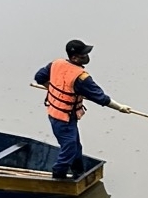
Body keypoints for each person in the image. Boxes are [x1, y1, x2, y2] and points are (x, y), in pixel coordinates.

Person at [35, 39, 131, 179]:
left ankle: (78, 172)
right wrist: (120, 107)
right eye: (83, 55)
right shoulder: (81, 78)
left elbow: (39, 77)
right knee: (69, 147)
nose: (87, 57)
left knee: (75, 146)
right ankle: (58, 176)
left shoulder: (56, 64)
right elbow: (101, 98)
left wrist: (53, 90)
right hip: (64, 118)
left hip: (54, 113)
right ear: (74, 57)